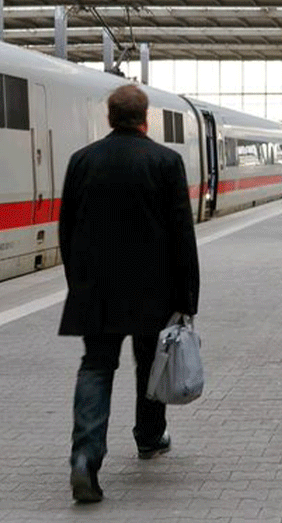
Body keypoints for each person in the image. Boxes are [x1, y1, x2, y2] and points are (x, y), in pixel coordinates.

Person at [59, 85, 200, 505]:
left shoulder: (81, 161)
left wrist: (77, 282)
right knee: (149, 364)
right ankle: (149, 437)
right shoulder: (166, 162)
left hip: (96, 289)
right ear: (145, 119)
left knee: (96, 366)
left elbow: (67, 230)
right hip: (153, 289)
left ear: (108, 117)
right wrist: (186, 297)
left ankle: (85, 457)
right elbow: (181, 236)